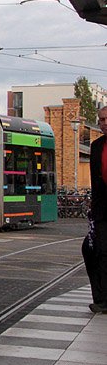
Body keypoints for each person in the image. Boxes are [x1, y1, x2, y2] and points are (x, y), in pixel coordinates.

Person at [86, 106, 107, 313]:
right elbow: (95, 179)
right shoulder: (96, 146)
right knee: (96, 251)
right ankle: (101, 299)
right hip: (102, 209)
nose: (104, 122)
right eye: (101, 119)